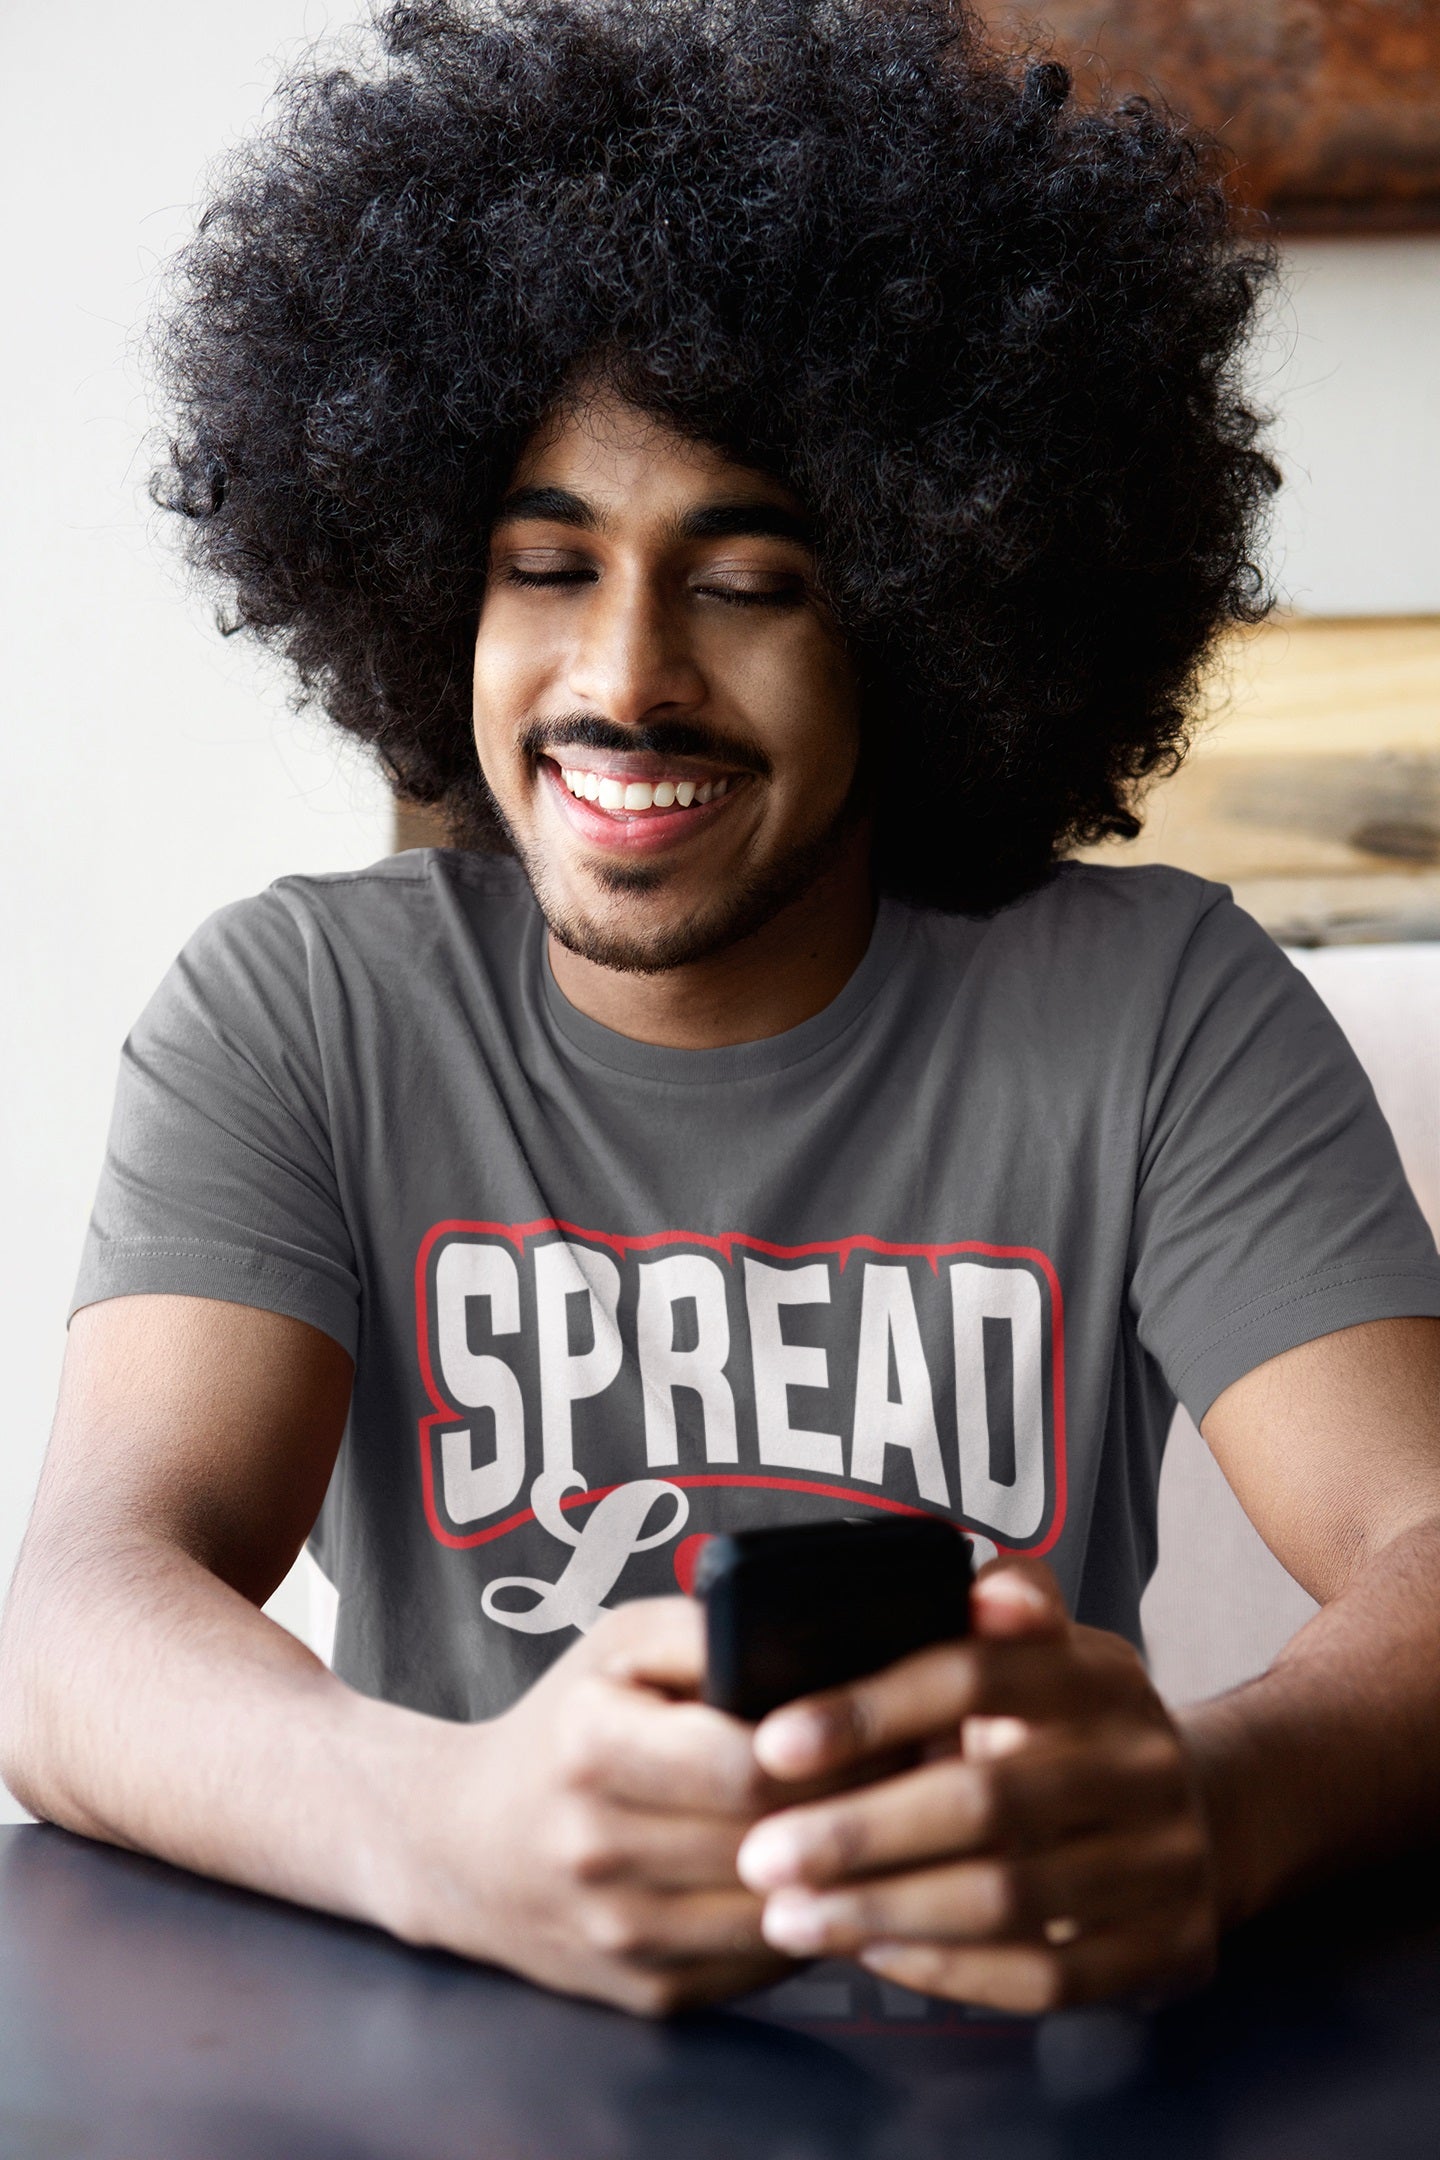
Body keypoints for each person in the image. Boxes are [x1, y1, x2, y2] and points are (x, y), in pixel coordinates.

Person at [3, 0, 1439, 2022]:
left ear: (933, 614)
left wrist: (1216, 1802)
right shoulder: (304, 1005)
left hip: (1011, 2071)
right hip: (458, 2074)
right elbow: (79, 1615)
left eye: (750, 581)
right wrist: (449, 1829)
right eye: (544, 564)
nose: (625, 678)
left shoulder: (1157, 1005)